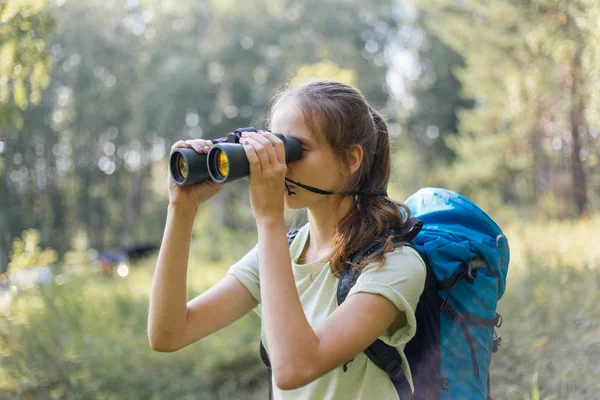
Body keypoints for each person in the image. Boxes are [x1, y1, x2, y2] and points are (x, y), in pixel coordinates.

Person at [148, 80, 426, 399]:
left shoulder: (393, 263)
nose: (279, 163)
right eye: (275, 145)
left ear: (351, 159)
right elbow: (168, 334)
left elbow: (294, 368)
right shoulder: (287, 250)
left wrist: (269, 219)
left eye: (295, 149)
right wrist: (181, 208)